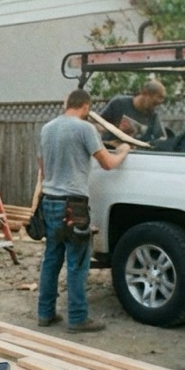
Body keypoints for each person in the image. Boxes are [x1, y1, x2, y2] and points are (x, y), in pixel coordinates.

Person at [37, 89, 130, 333]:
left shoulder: (47, 128)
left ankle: (45, 314)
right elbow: (107, 165)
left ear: (67, 104)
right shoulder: (85, 129)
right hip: (73, 205)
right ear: (86, 106)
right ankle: (78, 318)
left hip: (49, 201)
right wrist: (122, 152)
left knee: (51, 259)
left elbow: (42, 166)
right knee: (77, 262)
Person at [99, 79, 167, 145]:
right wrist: (115, 129)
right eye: (154, 104)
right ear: (144, 93)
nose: (154, 108)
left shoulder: (153, 116)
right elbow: (97, 124)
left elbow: (161, 140)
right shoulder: (119, 104)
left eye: (158, 105)